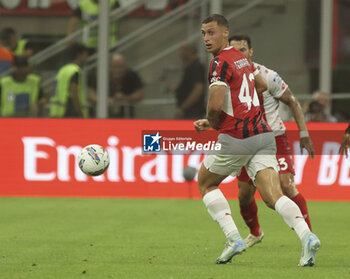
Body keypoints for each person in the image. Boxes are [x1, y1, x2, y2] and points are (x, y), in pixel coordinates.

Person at [194, 14, 320, 266]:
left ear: (225, 33)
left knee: (206, 183)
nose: (207, 38)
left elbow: (214, 104)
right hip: (263, 135)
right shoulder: (244, 59)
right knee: (274, 196)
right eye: (203, 34)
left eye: (211, 32)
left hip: (237, 137)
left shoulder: (219, 63)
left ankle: (233, 238)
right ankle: (307, 237)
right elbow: (260, 85)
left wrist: (214, 121)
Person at [229, 34, 314, 247]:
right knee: (244, 196)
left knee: (287, 186)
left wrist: (304, 134)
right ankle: (255, 233)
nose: (239, 54)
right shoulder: (227, 78)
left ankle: (308, 237)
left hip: (274, 138)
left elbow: (293, 102)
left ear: (251, 52)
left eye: (243, 50)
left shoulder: (268, 76)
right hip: (245, 140)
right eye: (235, 50)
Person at [50, 44, 89, 118]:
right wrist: (81, 114)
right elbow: (74, 94)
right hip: (69, 111)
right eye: (86, 55)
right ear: (79, 55)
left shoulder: (63, 70)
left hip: (57, 112)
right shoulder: (75, 71)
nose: (87, 58)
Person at [174, 42, 206, 119]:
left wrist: (183, 107)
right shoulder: (189, 67)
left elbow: (198, 90)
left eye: (182, 50)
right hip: (188, 112)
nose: (180, 54)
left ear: (190, 51)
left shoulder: (196, 67)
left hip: (193, 113)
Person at [107, 54, 143, 118]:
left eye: (120, 66)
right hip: (105, 116)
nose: (117, 70)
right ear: (109, 66)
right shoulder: (103, 76)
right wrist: (104, 100)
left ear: (125, 66)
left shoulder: (131, 75)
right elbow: (90, 93)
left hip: (127, 117)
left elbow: (139, 94)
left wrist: (125, 98)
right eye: (115, 66)